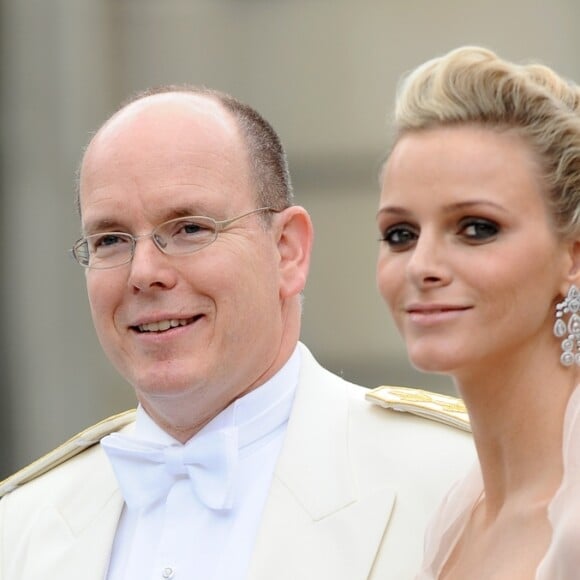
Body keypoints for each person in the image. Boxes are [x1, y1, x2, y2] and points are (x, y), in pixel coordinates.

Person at [0, 85, 473, 580]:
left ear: (287, 251)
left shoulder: (453, 482)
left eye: (189, 228)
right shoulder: (22, 525)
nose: (143, 272)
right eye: (111, 240)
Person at [376, 46, 580, 579]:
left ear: (573, 257)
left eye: (476, 228)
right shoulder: (453, 519)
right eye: (400, 234)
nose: (422, 265)